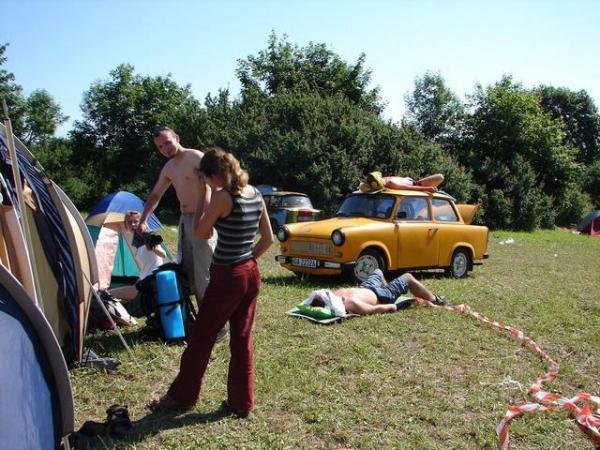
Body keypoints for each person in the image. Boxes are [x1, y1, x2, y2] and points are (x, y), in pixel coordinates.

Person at [147, 147, 274, 416]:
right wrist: (248, 259)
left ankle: (182, 396)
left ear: (212, 175)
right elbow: (268, 239)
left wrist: (203, 196)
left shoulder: (221, 197)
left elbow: (199, 233)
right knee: (242, 339)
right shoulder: (256, 193)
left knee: (201, 337)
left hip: (227, 275)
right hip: (250, 273)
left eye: (205, 177)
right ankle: (241, 402)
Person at [139, 126, 216, 311]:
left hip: (203, 218)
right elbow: (156, 194)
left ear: (177, 138)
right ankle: (200, 317)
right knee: (188, 272)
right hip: (185, 220)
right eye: (160, 147)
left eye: (167, 142)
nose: (165, 148)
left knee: (205, 272)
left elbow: (210, 187)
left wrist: (204, 219)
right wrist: (143, 219)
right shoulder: (169, 168)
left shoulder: (195, 157)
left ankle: (215, 321)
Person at [308, 269, 446, 315]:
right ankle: (434, 299)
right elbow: (376, 309)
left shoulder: (335, 294)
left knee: (377, 271)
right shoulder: (352, 303)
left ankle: (388, 287)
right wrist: (395, 305)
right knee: (408, 277)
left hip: (367, 287)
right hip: (382, 296)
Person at [109, 210, 166, 303]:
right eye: (129, 222)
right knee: (119, 299)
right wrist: (139, 279)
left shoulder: (148, 236)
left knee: (109, 295)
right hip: (144, 280)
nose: (133, 224)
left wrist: (153, 248)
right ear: (126, 224)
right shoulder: (137, 240)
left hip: (151, 282)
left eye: (136, 222)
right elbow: (147, 266)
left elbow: (163, 254)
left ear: (141, 223)